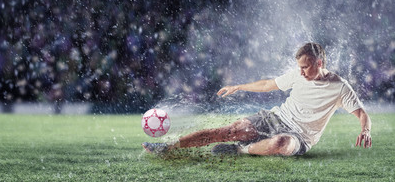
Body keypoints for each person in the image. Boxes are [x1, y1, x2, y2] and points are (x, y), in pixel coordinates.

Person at [143, 42, 372, 156]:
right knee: (230, 129)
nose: (301, 72)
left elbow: (361, 113)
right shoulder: (297, 74)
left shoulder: (340, 87)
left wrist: (365, 130)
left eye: (305, 67)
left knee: (281, 144)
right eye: (299, 67)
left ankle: (240, 150)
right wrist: (238, 86)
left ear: (319, 63)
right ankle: (168, 147)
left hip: (300, 136)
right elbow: (268, 84)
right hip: (274, 118)